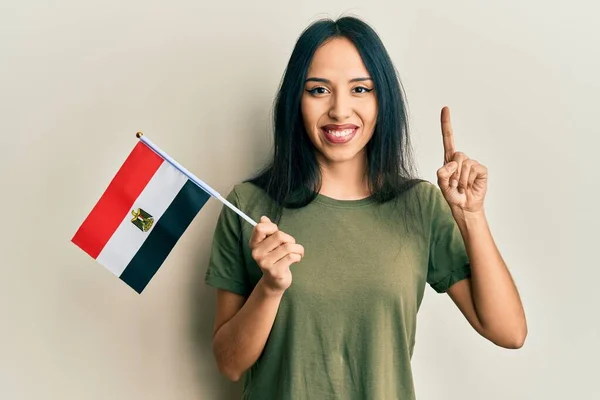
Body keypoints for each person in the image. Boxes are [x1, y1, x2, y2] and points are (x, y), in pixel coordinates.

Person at [204, 15, 527, 400]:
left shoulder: (419, 206)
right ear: (296, 101)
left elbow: (509, 332)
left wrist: (471, 216)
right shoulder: (248, 205)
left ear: (382, 99)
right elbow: (229, 363)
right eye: (319, 90)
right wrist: (270, 289)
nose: (340, 110)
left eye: (360, 89)